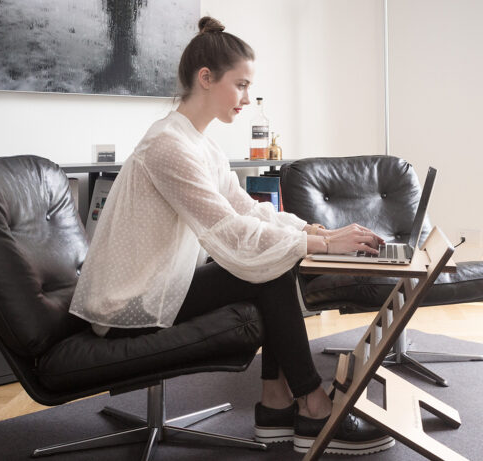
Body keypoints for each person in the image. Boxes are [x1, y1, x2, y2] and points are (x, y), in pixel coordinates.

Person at [68, 15, 395, 456]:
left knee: (276, 262)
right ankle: (312, 407)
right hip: (130, 301)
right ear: (206, 78)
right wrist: (317, 244)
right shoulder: (168, 145)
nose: (246, 98)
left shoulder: (199, 143)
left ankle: (279, 406)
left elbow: (246, 208)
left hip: (162, 285)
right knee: (274, 269)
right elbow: (228, 228)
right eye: (240, 85)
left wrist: (313, 230)